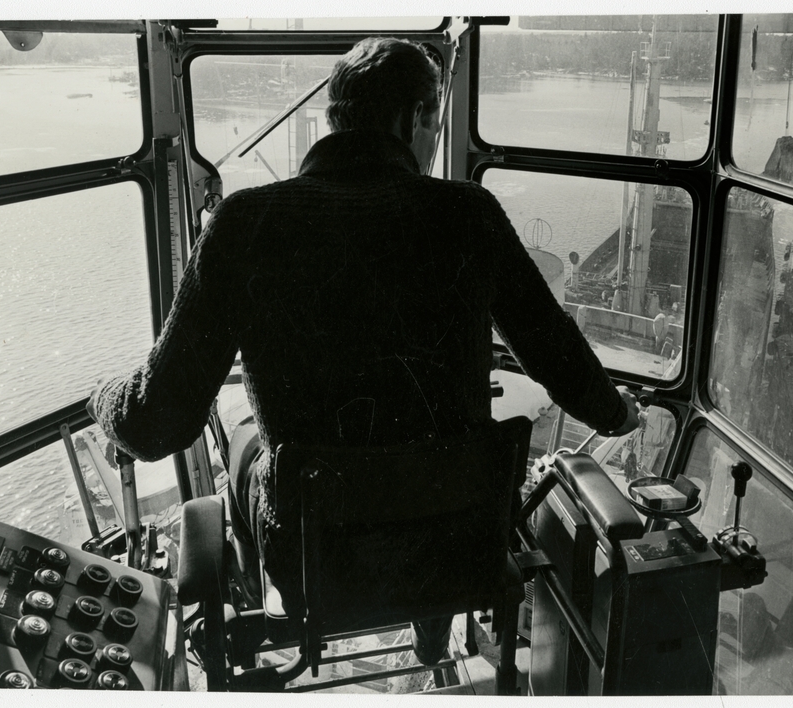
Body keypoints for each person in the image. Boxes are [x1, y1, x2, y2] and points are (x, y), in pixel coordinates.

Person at [87, 37, 639, 666]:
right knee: (433, 460)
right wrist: (615, 413)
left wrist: (99, 398)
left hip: (317, 562)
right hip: (458, 549)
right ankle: (433, 636)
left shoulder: (244, 222)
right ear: (415, 117)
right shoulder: (471, 213)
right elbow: (554, 350)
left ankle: (256, 600)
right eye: (434, 124)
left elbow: (155, 422)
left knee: (243, 438)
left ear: (337, 118)